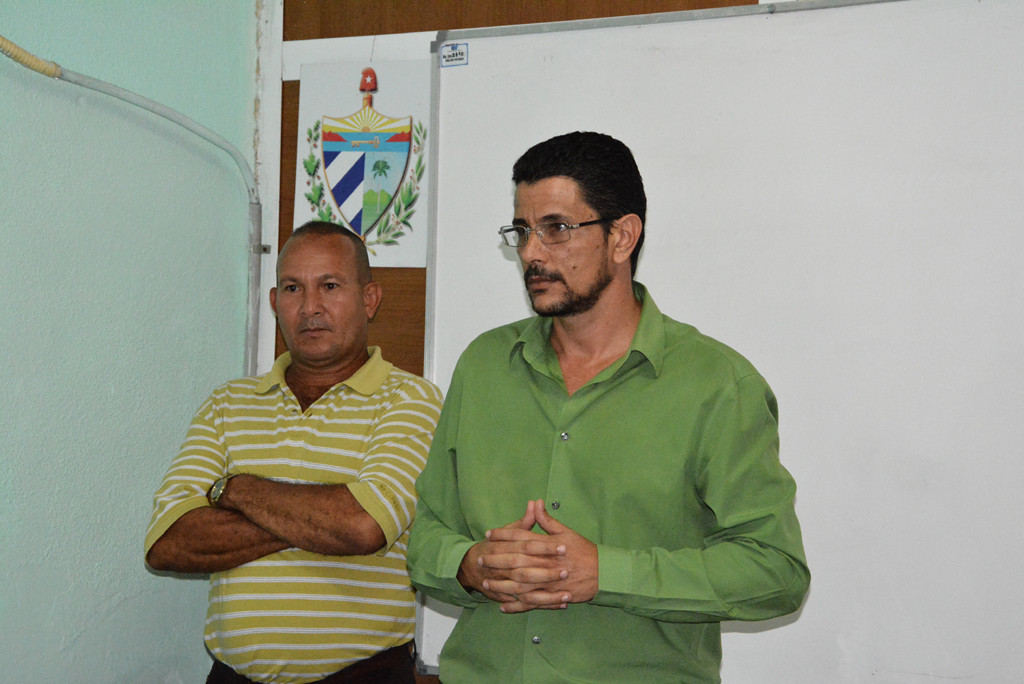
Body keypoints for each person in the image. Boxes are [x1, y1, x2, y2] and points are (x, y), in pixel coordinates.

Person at [406, 132, 810, 683]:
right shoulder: (483, 366)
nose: (531, 253)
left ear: (622, 237)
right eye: (522, 232)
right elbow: (426, 534)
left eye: (556, 229)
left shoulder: (717, 385)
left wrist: (606, 572)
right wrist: (469, 566)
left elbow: (776, 572)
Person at [145, 221, 443, 684]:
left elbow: (364, 525)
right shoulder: (228, 403)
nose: (310, 308)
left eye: (330, 286)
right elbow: (169, 542)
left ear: (369, 299)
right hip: (232, 677)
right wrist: (323, 516)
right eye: (292, 288)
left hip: (364, 676)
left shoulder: (410, 399)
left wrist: (235, 488)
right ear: (273, 303)